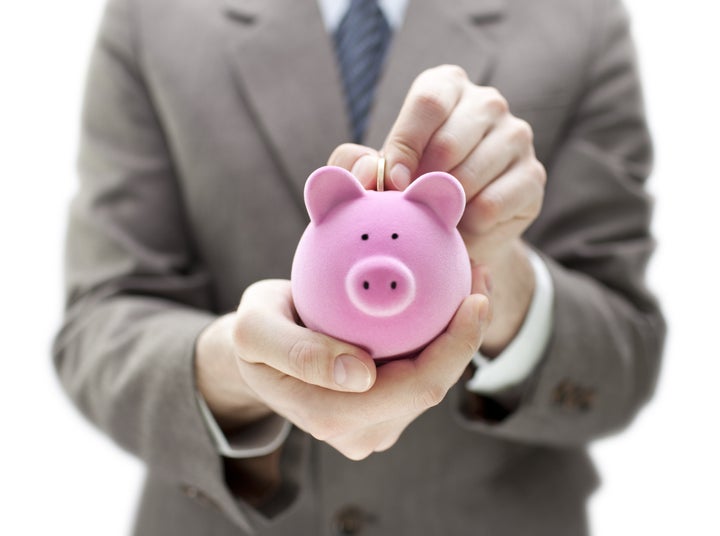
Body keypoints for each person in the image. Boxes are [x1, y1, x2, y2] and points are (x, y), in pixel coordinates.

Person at [53, 0, 665, 534]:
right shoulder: (153, 14)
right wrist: (237, 370)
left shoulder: (580, 17)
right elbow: (99, 321)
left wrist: (495, 271)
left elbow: (627, 355)